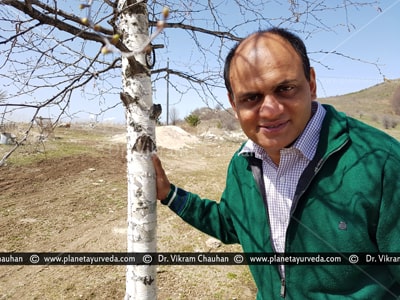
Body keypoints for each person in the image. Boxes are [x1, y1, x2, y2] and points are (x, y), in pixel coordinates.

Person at [152, 27, 400, 299]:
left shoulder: (381, 163)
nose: (270, 110)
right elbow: (232, 224)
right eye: (251, 97)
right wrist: (170, 195)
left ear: (312, 84)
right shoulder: (243, 163)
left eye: (285, 89)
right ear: (234, 104)